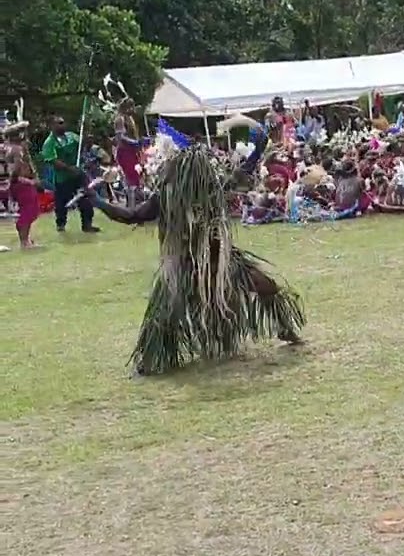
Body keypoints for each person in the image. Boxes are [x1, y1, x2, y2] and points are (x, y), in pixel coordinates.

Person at [88, 131, 305, 376]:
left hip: (222, 260)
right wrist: (99, 202)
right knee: (165, 316)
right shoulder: (165, 197)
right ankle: (150, 360)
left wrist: (258, 149)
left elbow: (240, 174)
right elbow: (131, 215)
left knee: (267, 286)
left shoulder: (211, 187)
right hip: (186, 265)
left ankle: (285, 328)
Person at [41, 116, 98, 234]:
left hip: (78, 175)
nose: (62, 125)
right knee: (61, 204)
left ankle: (87, 224)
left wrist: (86, 135)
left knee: (85, 198)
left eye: (63, 123)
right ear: (52, 125)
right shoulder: (49, 143)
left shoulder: (71, 136)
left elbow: (82, 144)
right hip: (63, 178)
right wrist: (69, 169)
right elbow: (53, 160)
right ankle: (61, 224)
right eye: (59, 123)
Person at [4, 120, 41, 249]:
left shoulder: (14, 147)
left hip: (21, 182)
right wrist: (24, 180)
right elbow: (15, 167)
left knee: (31, 209)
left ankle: (26, 240)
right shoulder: (16, 149)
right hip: (21, 183)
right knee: (30, 211)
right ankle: (24, 241)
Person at [113, 98, 145, 205]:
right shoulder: (120, 119)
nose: (133, 109)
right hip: (124, 152)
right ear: (125, 108)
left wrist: (140, 141)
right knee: (131, 178)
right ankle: (132, 206)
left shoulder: (130, 119)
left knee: (136, 177)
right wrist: (134, 142)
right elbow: (120, 136)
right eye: (131, 106)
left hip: (132, 152)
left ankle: (135, 204)